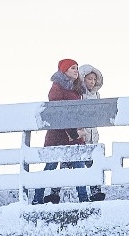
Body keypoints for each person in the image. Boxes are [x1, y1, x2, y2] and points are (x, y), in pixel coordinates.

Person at [32, 59, 90, 204]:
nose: (76, 70)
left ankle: (84, 199)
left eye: (77, 68)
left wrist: (79, 132)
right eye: (73, 68)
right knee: (51, 167)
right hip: (58, 136)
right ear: (64, 71)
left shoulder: (77, 89)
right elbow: (57, 112)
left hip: (74, 136)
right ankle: (37, 198)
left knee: (79, 166)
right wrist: (73, 133)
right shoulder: (57, 88)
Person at [79, 64, 106, 202]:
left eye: (94, 79)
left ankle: (95, 192)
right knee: (70, 164)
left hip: (93, 135)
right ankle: (55, 193)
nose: (92, 82)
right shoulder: (79, 94)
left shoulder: (97, 95)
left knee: (93, 164)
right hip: (81, 135)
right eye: (89, 78)